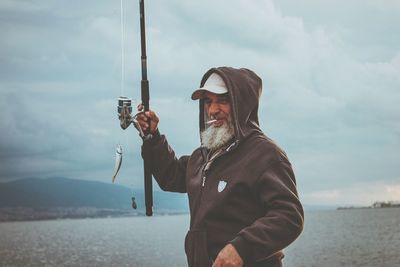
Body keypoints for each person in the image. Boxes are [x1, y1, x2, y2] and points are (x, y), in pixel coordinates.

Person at [136, 67, 304, 267]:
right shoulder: (203, 156)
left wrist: (241, 248)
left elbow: (289, 216)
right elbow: (171, 175)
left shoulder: (265, 154)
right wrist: (153, 137)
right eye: (208, 101)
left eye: (223, 100)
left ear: (242, 103)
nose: (213, 110)